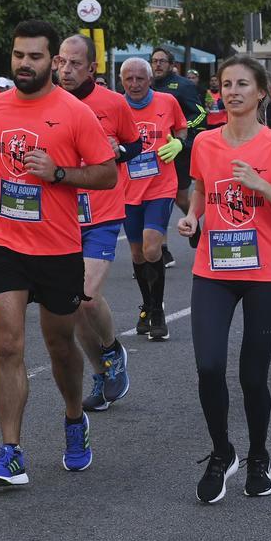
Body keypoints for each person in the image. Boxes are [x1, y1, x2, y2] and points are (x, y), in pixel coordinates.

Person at [0, 19, 118, 487]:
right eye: (18, 56)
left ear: (53, 61)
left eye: (34, 57)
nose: (24, 64)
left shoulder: (74, 113)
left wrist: (57, 174)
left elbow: (107, 175)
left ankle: (74, 418)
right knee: (8, 343)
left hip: (58, 246)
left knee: (58, 346)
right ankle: (10, 452)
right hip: (7, 240)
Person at [177, 54, 271, 503]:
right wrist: (194, 218)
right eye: (225, 84)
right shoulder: (205, 144)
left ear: (260, 92)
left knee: (252, 376)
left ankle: (259, 456)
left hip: (265, 275)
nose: (232, 91)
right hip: (214, 271)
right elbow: (200, 189)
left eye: (242, 84)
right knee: (209, 366)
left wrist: (262, 187)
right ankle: (222, 452)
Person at [56, 35, 140, 411]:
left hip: (102, 211)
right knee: (71, 307)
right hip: (60, 215)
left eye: (75, 64)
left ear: (92, 68)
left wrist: (116, 152)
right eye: (61, 62)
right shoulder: (47, 103)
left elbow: (135, 143)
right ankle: (102, 371)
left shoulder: (113, 103)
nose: (66, 70)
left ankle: (113, 350)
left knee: (86, 297)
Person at [122, 58, 187, 341]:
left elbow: (182, 128)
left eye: (140, 78)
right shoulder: (115, 107)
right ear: (122, 81)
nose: (134, 84)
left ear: (150, 80)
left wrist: (178, 143)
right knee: (137, 254)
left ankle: (158, 311)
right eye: (129, 79)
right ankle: (147, 305)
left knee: (151, 249)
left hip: (161, 185)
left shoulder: (167, 101)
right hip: (126, 188)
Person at [150, 47, 206, 261]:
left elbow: (200, 114)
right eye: (154, 61)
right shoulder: (146, 84)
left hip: (178, 148)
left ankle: (193, 221)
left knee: (180, 197)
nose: (157, 65)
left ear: (171, 64)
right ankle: (162, 250)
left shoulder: (183, 86)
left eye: (162, 61)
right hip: (153, 150)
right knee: (156, 198)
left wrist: (177, 129)